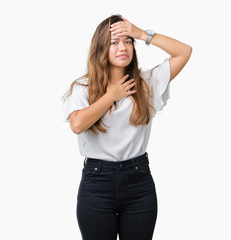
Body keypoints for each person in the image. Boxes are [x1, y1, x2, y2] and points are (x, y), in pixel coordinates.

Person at [61, 14, 192, 240]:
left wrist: (142, 34)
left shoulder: (147, 83)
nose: (123, 47)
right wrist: (112, 95)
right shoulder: (83, 87)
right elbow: (77, 124)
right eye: (114, 42)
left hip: (138, 180)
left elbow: (185, 52)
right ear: (101, 48)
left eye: (128, 41)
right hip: (97, 182)